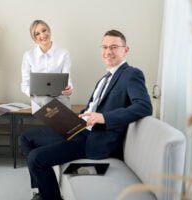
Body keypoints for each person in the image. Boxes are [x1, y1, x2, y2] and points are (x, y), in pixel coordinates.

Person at [20, 29, 152, 200]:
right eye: (104, 47)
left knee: (36, 158)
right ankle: (43, 190)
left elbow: (144, 107)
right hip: (79, 127)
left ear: (125, 50)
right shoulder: (105, 78)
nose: (108, 52)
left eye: (114, 47)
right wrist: (79, 116)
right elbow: (92, 107)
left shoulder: (132, 74)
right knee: (26, 138)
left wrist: (104, 118)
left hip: (93, 139)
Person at [21, 20, 73, 113]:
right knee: (45, 100)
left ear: (49, 30)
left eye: (44, 30)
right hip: (39, 100)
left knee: (59, 111)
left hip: (60, 98)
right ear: (34, 38)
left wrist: (69, 89)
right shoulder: (28, 56)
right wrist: (35, 92)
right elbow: (25, 85)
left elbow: (67, 79)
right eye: (37, 33)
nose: (42, 35)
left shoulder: (63, 54)